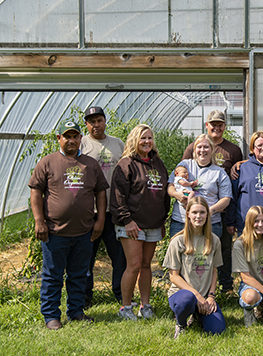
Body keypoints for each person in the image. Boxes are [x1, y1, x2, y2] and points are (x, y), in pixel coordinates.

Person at [29, 121, 109, 329]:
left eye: (75, 136)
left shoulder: (90, 164)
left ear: (80, 138)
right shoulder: (47, 162)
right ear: (59, 139)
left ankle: (75, 311)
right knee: (52, 275)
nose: (71, 140)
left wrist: (100, 219)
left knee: (79, 274)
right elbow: (36, 191)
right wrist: (39, 220)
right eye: (67, 136)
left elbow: (100, 191)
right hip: (54, 233)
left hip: (83, 232)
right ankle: (51, 315)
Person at [111, 124, 170, 320]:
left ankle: (146, 305)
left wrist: (161, 219)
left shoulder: (158, 164)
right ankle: (125, 307)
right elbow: (118, 196)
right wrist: (127, 221)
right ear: (134, 140)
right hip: (132, 224)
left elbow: (163, 195)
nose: (146, 142)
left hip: (152, 223)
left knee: (146, 265)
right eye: (142, 138)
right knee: (134, 265)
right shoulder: (126, 164)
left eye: (149, 138)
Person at [182, 110, 242, 294]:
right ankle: (193, 285)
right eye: (213, 124)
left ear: (225, 126)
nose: (216, 127)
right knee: (197, 247)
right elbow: (181, 172)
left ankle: (225, 285)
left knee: (222, 247)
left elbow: (237, 178)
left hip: (221, 210)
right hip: (196, 211)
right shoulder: (194, 147)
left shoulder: (233, 149)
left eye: (220, 124)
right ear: (206, 125)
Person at [80, 106, 126, 307]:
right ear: (86, 125)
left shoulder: (117, 144)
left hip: (114, 210)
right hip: (89, 212)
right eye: (91, 122)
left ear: (105, 121)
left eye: (99, 120)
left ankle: (120, 293)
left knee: (119, 256)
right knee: (86, 257)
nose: (96, 125)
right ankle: (85, 296)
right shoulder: (81, 144)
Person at [162, 196, 226, 338]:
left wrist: (210, 296)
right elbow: (173, 276)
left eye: (202, 212)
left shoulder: (214, 240)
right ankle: (181, 323)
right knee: (187, 300)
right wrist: (196, 295)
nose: (198, 216)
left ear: (207, 215)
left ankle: (197, 314)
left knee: (217, 329)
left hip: (204, 297)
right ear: (188, 215)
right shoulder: (178, 241)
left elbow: (215, 270)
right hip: (182, 295)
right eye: (195, 212)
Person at [168, 134, 232, 239]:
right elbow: (170, 185)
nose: (202, 150)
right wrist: (176, 194)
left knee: (205, 254)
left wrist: (210, 211)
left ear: (212, 150)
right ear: (194, 149)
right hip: (182, 221)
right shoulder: (185, 165)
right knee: (179, 252)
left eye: (206, 147)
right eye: (199, 147)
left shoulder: (219, 172)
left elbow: (226, 198)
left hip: (210, 224)